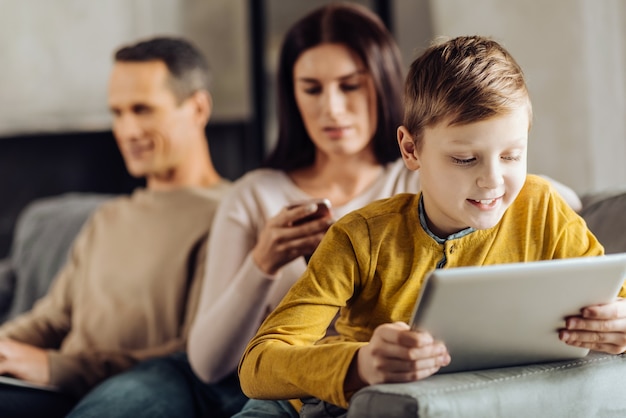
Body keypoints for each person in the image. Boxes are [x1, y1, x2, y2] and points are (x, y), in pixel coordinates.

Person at [235, 35, 626, 416]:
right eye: (464, 159)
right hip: (316, 403)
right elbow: (257, 366)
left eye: (511, 155)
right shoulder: (360, 237)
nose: (492, 180)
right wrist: (360, 363)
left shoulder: (544, 210)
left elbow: (617, 300)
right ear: (411, 149)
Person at [0, 36, 231, 418]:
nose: (126, 130)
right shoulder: (108, 217)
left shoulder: (229, 214)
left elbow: (191, 358)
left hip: (117, 395)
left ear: (198, 108)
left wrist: (53, 367)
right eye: (118, 113)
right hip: (51, 389)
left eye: (142, 110)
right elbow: (53, 318)